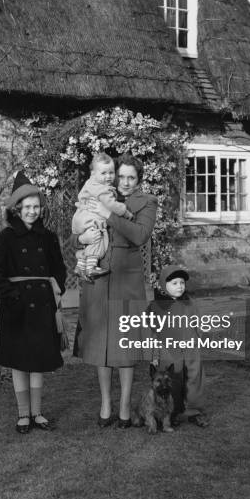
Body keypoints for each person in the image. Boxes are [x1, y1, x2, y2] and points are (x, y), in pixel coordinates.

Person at [72, 153, 157, 428]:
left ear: (139, 180)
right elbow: (78, 226)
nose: (125, 182)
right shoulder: (100, 192)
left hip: (127, 281)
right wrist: (81, 237)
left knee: (126, 345)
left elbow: (140, 235)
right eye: (121, 176)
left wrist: (108, 213)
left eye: (131, 177)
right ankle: (106, 404)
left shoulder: (146, 202)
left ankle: (124, 406)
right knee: (101, 344)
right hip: (98, 280)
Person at [0, 172, 66, 434]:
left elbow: (59, 270)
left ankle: (37, 412)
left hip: (43, 306)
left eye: (36, 207)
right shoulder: (4, 238)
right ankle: (23, 414)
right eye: (27, 207)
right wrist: (14, 298)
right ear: (17, 208)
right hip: (17, 308)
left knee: (39, 360)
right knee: (20, 361)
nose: (32, 212)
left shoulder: (48, 237)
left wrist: (55, 291)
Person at [145, 264, 208, 427]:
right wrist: (154, 355)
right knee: (174, 379)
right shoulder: (155, 306)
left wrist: (199, 339)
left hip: (190, 347)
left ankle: (195, 411)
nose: (179, 286)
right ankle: (173, 411)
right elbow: (151, 333)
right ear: (163, 285)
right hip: (169, 350)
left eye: (182, 282)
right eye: (174, 283)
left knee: (194, 378)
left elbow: (198, 323)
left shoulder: (190, 303)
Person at [72, 153, 133, 278]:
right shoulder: (103, 190)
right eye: (103, 173)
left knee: (90, 240)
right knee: (97, 238)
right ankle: (91, 267)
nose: (108, 176)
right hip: (91, 218)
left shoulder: (90, 183)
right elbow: (112, 205)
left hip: (80, 217)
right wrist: (125, 212)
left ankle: (80, 266)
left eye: (111, 172)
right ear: (93, 173)